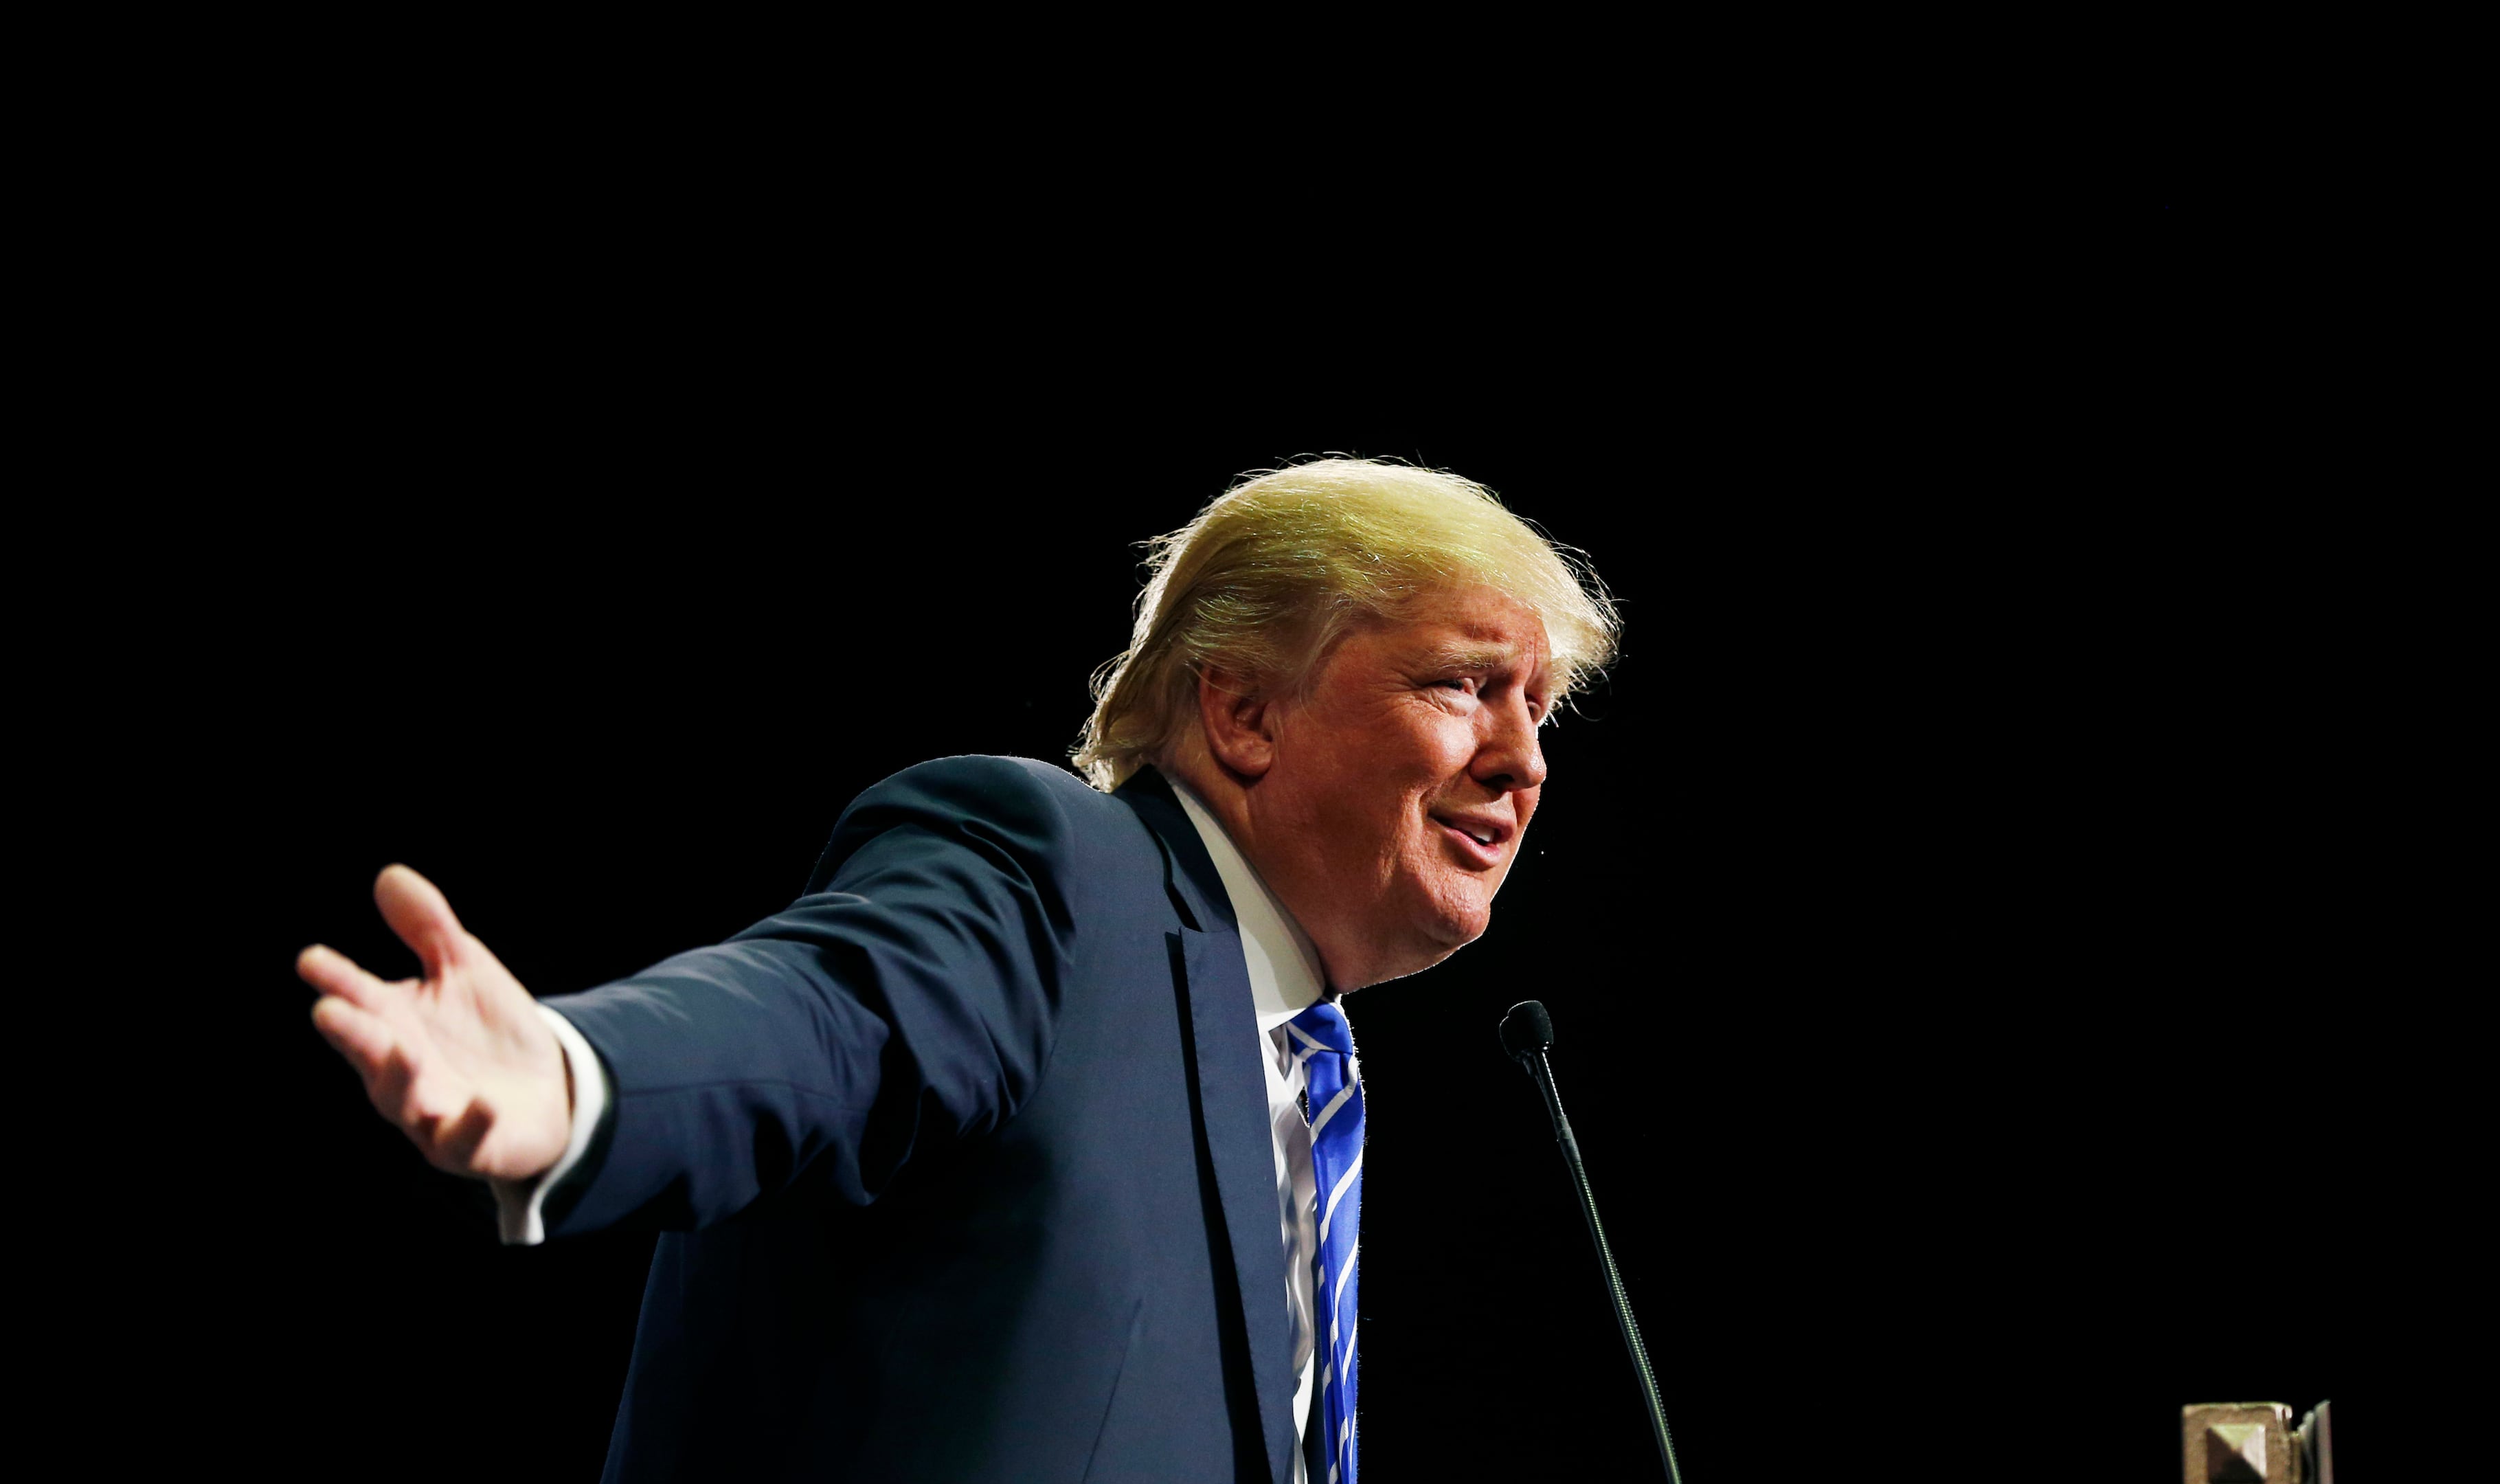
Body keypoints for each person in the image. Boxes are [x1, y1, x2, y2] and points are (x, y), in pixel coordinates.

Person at [297, 458, 1619, 1483]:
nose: (1525, 760)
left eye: (1539, 708)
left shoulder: (1298, 1064)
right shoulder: (1059, 877)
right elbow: (824, 1020)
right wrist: (573, 1073)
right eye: (1463, 685)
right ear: (1245, 711)